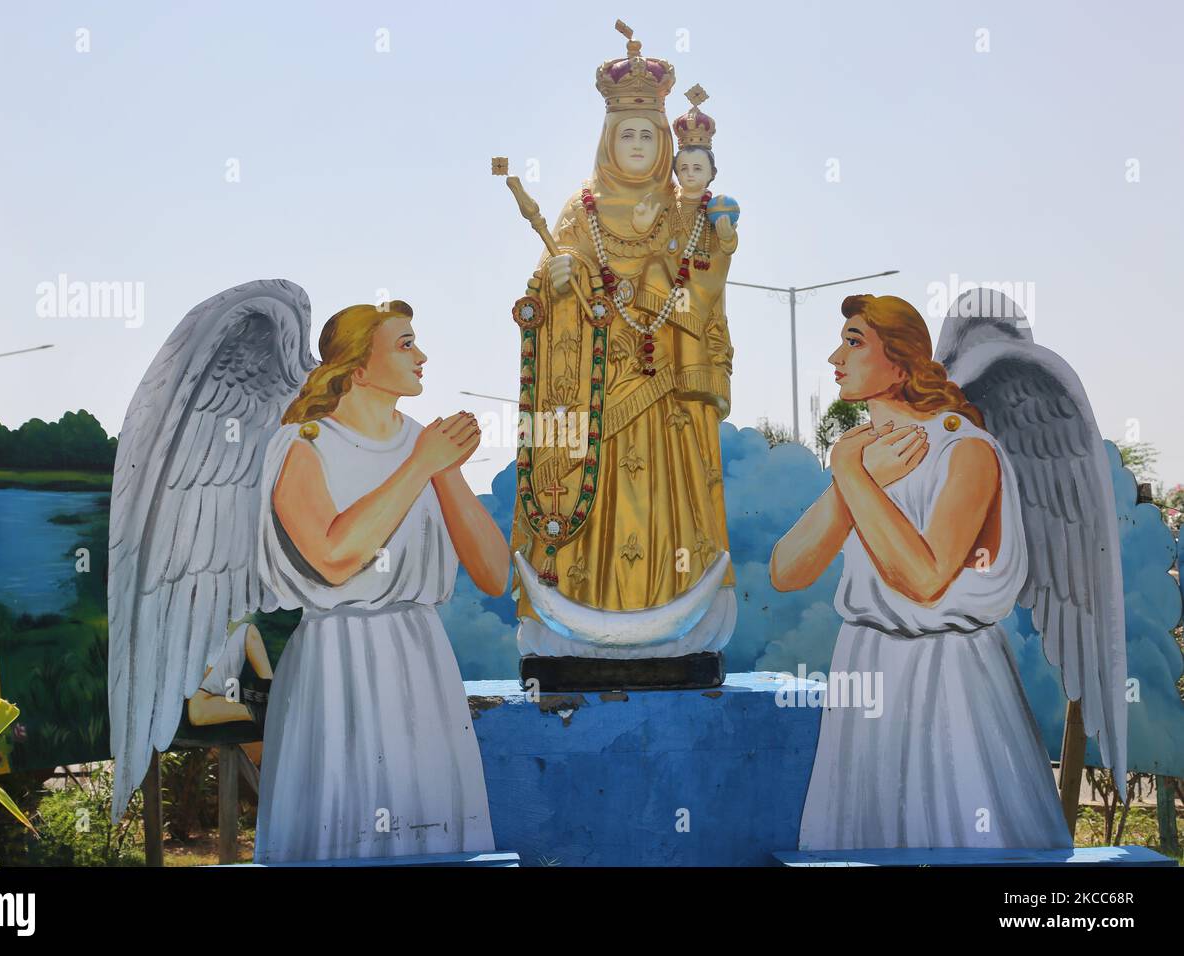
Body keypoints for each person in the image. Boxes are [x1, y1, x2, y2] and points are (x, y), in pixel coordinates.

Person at [770, 294, 1072, 849]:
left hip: (949, 674)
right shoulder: (866, 453)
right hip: (866, 664)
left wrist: (852, 477)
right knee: (865, 837)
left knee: (962, 830)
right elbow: (787, 571)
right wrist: (850, 480)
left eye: (854, 342)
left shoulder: (965, 450)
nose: (836, 357)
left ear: (902, 361)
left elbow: (927, 580)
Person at [252, 300, 509, 862]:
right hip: (337, 661)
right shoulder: (305, 445)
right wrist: (420, 465)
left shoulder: (424, 441)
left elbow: (494, 573)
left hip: (421, 659)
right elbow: (334, 557)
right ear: (358, 368)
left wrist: (445, 470)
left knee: (428, 822)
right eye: (405, 344)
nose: (422, 356)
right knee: (345, 823)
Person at [511, 28, 736, 660]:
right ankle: (581, 620)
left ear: (667, 141)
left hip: (666, 401)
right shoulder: (577, 212)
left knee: (670, 506)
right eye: (627, 133)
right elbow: (543, 294)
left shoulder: (685, 209)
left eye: (648, 133)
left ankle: (673, 616)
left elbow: (706, 298)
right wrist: (556, 282)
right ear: (608, 139)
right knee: (586, 497)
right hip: (591, 394)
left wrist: (670, 291)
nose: (637, 145)